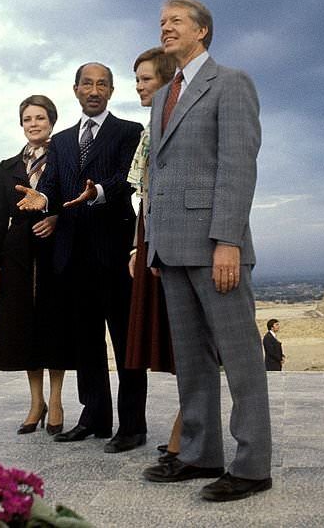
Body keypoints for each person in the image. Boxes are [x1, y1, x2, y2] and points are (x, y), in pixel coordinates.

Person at [142, 0, 273, 502]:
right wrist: (154, 245)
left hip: (215, 245)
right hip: (171, 249)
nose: (165, 28)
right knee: (192, 363)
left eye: (175, 21)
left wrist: (228, 242)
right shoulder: (163, 95)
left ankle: (252, 465)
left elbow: (238, 168)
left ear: (203, 31)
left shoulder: (232, 82)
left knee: (241, 361)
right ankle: (200, 454)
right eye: (161, 22)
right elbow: (161, 174)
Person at [16, 63, 148, 454]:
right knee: (86, 343)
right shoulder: (61, 141)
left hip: (114, 252)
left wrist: (98, 193)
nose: (94, 90)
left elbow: (128, 179)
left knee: (126, 343)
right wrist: (44, 200)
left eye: (101, 84)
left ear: (111, 90)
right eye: (87, 84)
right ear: (75, 90)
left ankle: (133, 425)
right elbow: (54, 187)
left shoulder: (129, 132)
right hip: (72, 257)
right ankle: (95, 417)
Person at [0, 95, 68, 436]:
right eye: (27, 119)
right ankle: (36, 402)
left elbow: (77, 200)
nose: (33, 123)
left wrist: (57, 219)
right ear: (21, 124)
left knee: (55, 324)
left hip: (55, 249)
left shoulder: (66, 160)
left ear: (52, 121)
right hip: (17, 252)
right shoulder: (7, 166)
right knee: (26, 327)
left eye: (40, 117)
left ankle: (58, 400)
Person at [124, 47, 184, 463]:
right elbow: (143, 196)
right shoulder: (149, 130)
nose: (139, 86)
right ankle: (188, 422)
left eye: (145, 79)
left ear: (165, 80)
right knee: (169, 332)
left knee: (185, 336)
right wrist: (137, 244)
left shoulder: (174, 125)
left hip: (175, 237)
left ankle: (187, 424)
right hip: (151, 236)